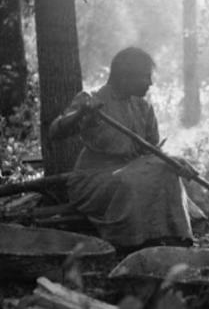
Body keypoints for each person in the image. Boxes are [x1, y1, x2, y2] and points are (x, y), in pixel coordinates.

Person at [49, 47, 197, 251]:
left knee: (167, 171)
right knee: (130, 182)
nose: (151, 83)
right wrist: (80, 114)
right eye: (146, 77)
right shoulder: (92, 99)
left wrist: (174, 162)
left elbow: (153, 152)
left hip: (133, 171)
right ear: (125, 77)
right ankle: (128, 243)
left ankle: (174, 237)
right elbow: (55, 131)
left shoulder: (143, 107)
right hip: (94, 179)